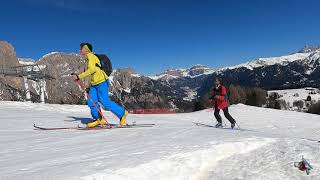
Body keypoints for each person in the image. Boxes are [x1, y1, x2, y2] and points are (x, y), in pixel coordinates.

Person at [72, 43, 128, 127]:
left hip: (101, 82)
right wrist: (87, 86)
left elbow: (92, 69)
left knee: (105, 102)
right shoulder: (87, 59)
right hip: (94, 84)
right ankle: (99, 119)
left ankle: (122, 113)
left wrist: (79, 76)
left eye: (81, 48)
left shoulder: (91, 56)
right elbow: (90, 74)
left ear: (86, 49)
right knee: (92, 102)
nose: (80, 50)